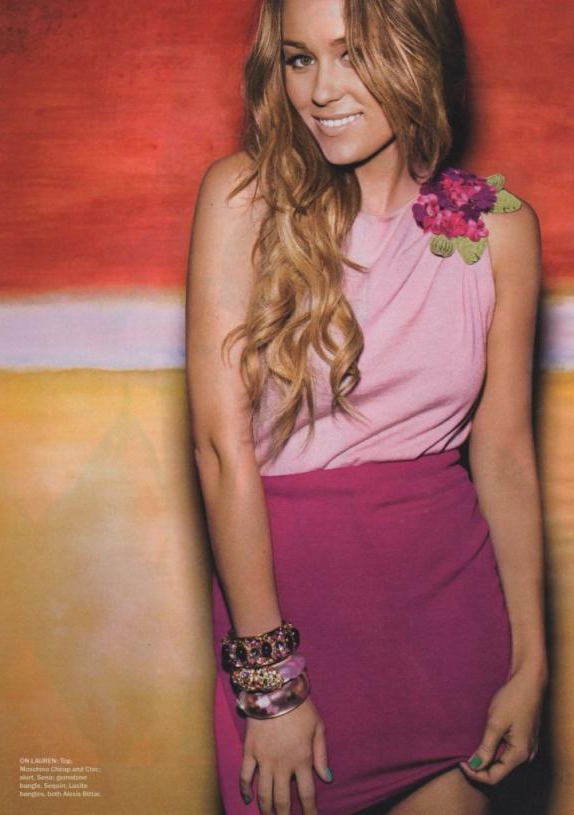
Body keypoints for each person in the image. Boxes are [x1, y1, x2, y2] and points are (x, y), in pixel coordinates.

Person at [185, 0, 548, 813]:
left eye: (352, 53)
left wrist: (531, 661)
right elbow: (218, 448)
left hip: (450, 623)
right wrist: (271, 687)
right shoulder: (243, 198)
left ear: (419, 53)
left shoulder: (500, 231)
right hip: (288, 616)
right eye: (299, 58)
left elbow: (503, 455)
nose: (321, 89)